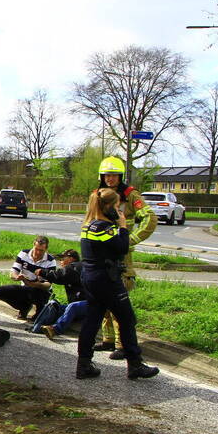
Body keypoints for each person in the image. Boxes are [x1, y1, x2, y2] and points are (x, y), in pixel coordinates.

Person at [75, 187, 159, 380]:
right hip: (107, 280)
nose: (119, 208)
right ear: (108, 207)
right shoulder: (106, 228)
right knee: (127, 319)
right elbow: (122, 248)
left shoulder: (88, 225)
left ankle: (84, 364)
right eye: (116, 205)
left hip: (90, 278)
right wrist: (122, 226)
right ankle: (135, 364)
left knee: (92, 320)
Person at [94, 157, 157, 360]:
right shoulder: (97, 195)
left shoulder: (130, 195)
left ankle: (122, 344)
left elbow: (150, 217)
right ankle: (108, 340)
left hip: (121, 253)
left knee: (119, 297)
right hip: (101, 251)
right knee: (103, 296)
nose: (110, 178)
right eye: (107, 175)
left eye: (114, 175)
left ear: (120, 176)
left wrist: (132, 239)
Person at [0, 236, 56, 320]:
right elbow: (13, 272)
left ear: (46, 249)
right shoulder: (24, 253)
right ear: (33, 245)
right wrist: (17, 277)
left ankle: (39, 312)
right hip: (25, 287)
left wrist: (33, 284)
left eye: (41, 250)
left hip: (41, 291)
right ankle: (24, 307)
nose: (38, 253)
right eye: (36, 249)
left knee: (36, 291)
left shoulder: (51, 261)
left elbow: (48, 284)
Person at [36, 249, 88, 339]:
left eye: (63, 258)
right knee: (55, 306)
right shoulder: (74, 269)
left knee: (73, 306)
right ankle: (40, 325)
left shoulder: (76, 267)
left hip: (91, 304)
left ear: (71, 259)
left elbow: (59, 276)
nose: (60, 262)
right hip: (80, 304)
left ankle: (55, 329)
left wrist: (42, 272)